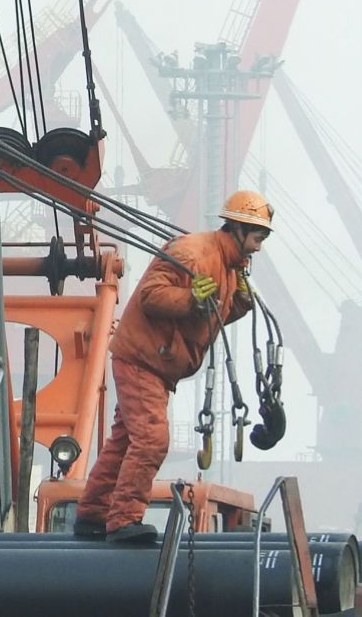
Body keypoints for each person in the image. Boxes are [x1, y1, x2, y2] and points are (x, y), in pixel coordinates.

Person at [74, 191, 274, 545]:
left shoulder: (227, 267)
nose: (258, 248)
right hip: (143, 358)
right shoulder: (191, 254)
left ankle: (93, 513)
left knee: (125, 440)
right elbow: (150, 296)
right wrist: (191, 298)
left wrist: (240, 299)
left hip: (159, 365)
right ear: (239, 230)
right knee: (152, 439)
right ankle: (122, 521)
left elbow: (215, 316)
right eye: (257, 238)